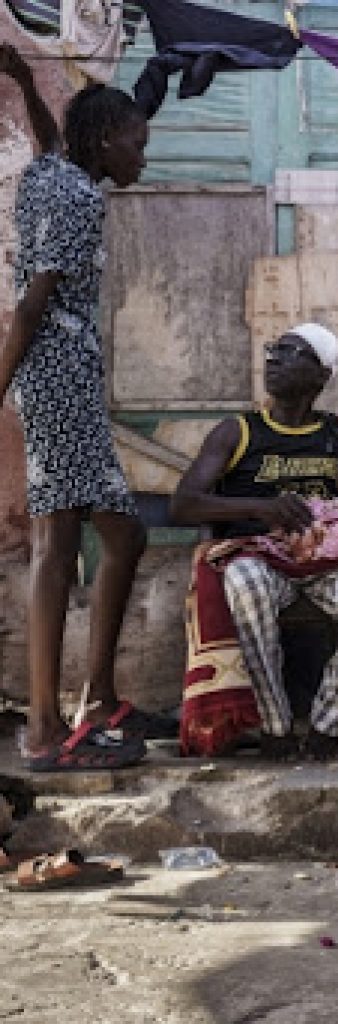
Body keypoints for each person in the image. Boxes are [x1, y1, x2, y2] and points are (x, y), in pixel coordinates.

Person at [0, 44, 176, 771]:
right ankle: (45, 731)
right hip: (58, 372)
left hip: (54, 375)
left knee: (124, 535)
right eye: (138, 143)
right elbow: (36, 299)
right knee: (57, 544)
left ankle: (98, 699)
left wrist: (25, 84)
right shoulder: (77, 197)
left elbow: (47, 139)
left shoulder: (52, 171)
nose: (143, 156)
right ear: (105, 141)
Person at [170, 324, 338, 761]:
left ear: (320, 377)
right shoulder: (238, 431)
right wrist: (260, 509)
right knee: (243, 580)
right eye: (273, 351)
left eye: (291, 352)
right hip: (262, 558)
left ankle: (327, 722)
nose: (274, 359)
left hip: (331, 560)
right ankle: (275, 726)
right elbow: (184, 504)